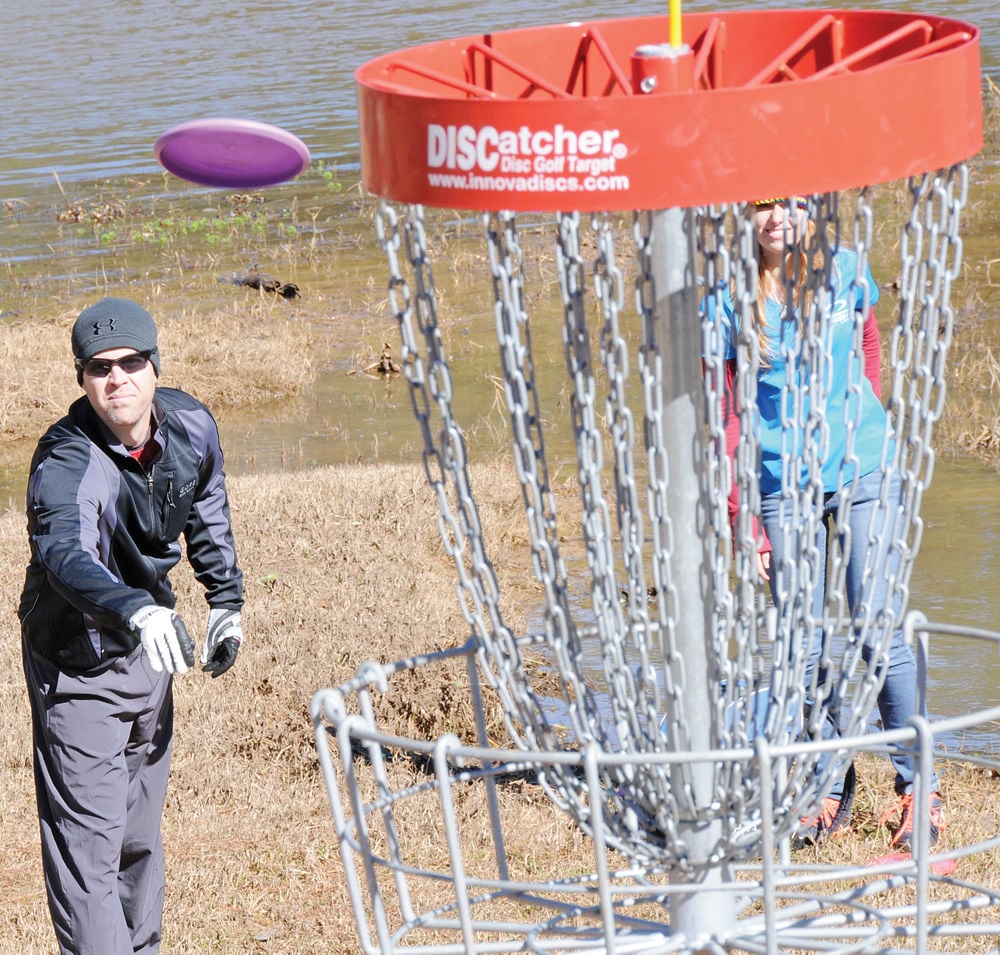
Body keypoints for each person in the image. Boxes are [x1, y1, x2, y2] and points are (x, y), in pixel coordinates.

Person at [708, 198, 944, 850]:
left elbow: (867, 337)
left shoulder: (844, 268)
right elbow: (726, 413)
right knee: (800, 647)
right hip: (784, 487)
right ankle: (821, 786)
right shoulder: (728, 299)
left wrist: (859, 409)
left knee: (875, 621)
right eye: (758, 205)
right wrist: (743, 518)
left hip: (865, 468)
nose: (774, 216)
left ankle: (917, 788)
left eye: (785, 200)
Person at [18, 297, 245, 954]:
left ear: (154, 365)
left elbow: (204, 506)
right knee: (89, 856)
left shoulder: (191, 424)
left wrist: (225, 600)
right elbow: (65, 553)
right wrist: (137, 609)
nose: (118, 377)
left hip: (152, 660)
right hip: (79, 663)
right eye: (100, 367)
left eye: (132, 362)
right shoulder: (67, 460)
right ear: (84, 379)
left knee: (137, 839)